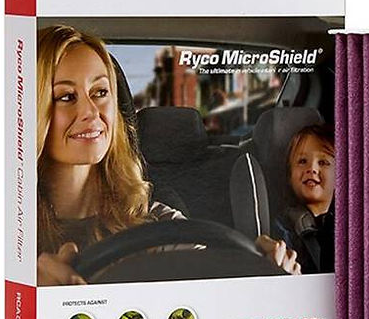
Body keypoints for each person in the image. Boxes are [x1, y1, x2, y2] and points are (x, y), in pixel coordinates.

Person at [36, 26, 299, 285]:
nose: (91, 112)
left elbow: (213, 282)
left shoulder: (154, 220)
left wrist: (267, 278)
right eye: (66, 96)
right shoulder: (16, 237)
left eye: (100, 92)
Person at [264, 124, 335, 274]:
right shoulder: (283, 228)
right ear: (289, 176)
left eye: (323, 162)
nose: (312, 169)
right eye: (302, 161)